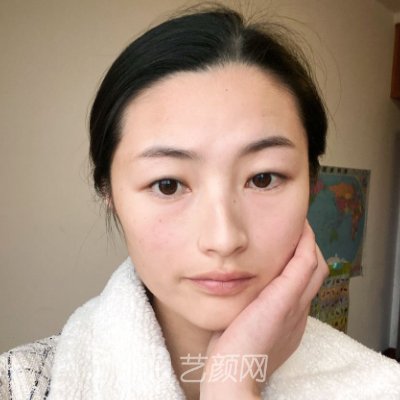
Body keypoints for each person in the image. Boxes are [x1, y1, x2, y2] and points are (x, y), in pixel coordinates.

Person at [1, 4, 400, 400]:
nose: (223, 239)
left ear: (312, 183)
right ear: (109, 192)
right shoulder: (21, 384)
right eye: (169, 184)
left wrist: (233, 382)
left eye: (263, 178)